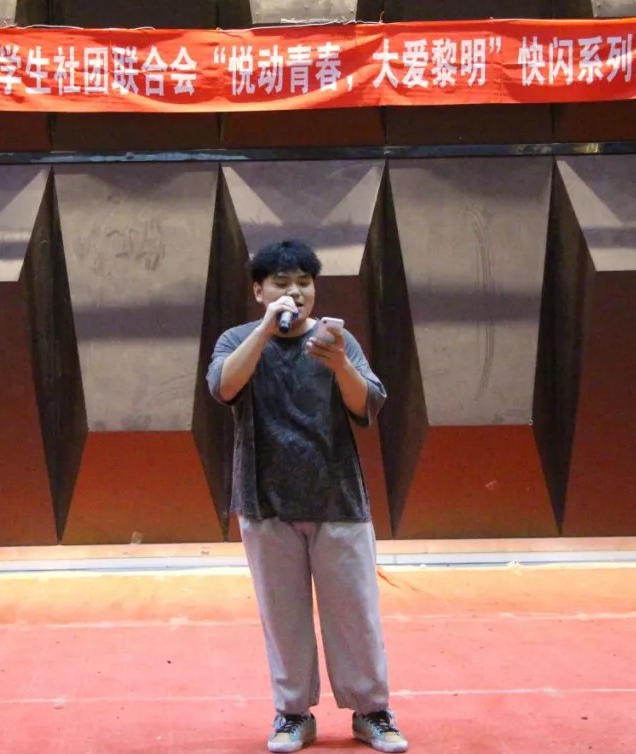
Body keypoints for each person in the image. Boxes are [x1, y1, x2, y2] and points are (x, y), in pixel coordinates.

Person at [207, 239, 408, 753]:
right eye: (281, 283)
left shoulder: (337, 341)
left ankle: (372, 711)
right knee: (283, 617)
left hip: (338, 501)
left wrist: (340, 364)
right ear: (259, 290)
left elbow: (367, 406)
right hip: (265, 502)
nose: (295, 292)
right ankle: (293, 713)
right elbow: (223, 388)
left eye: (304, 282)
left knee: (355, 614)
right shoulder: (236, 340)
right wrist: (264, 331)